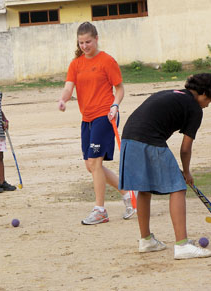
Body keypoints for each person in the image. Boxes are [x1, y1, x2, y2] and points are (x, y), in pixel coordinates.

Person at [119, 73, 211, 259]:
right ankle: (182, 245)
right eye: (209, 100)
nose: (207, 104)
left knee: (144, 188)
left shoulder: (171, 93)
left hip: (128, 137)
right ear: (203, 94)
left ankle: (146, 240)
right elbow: (185, 148)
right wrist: (187, 172)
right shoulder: (194, 108)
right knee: (178, 187)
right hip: (149, 139)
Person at [58, 21, 136, 225]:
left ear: (96, 39)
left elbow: (119, 89)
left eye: (88, 42)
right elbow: (68, 87)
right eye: (81, 42)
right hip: (87, 118)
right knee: (90, 166)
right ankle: (129, 194)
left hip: (105, 115)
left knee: (96, 162)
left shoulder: (106, 61)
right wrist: (63, 99)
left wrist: (115, 105)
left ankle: (100, 209)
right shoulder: (76, 63)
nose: (85, 46)